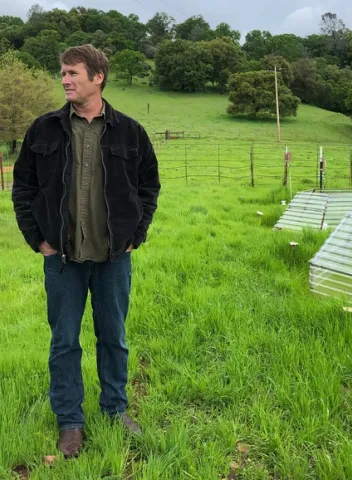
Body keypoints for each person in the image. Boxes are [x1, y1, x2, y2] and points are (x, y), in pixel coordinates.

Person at [12, 44, 160, 458]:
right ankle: (70, 423)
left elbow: (149, 187)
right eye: (62, 73)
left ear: (98, 78)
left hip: (114, 258)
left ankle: (115, 410)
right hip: (61, 261)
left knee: (113, 338)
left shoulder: (130, 132)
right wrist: (37, 239)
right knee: (64, 342)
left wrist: (137, 233)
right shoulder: (43, 129)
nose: (65, 80)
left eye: (73, 73)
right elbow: (22, 187)